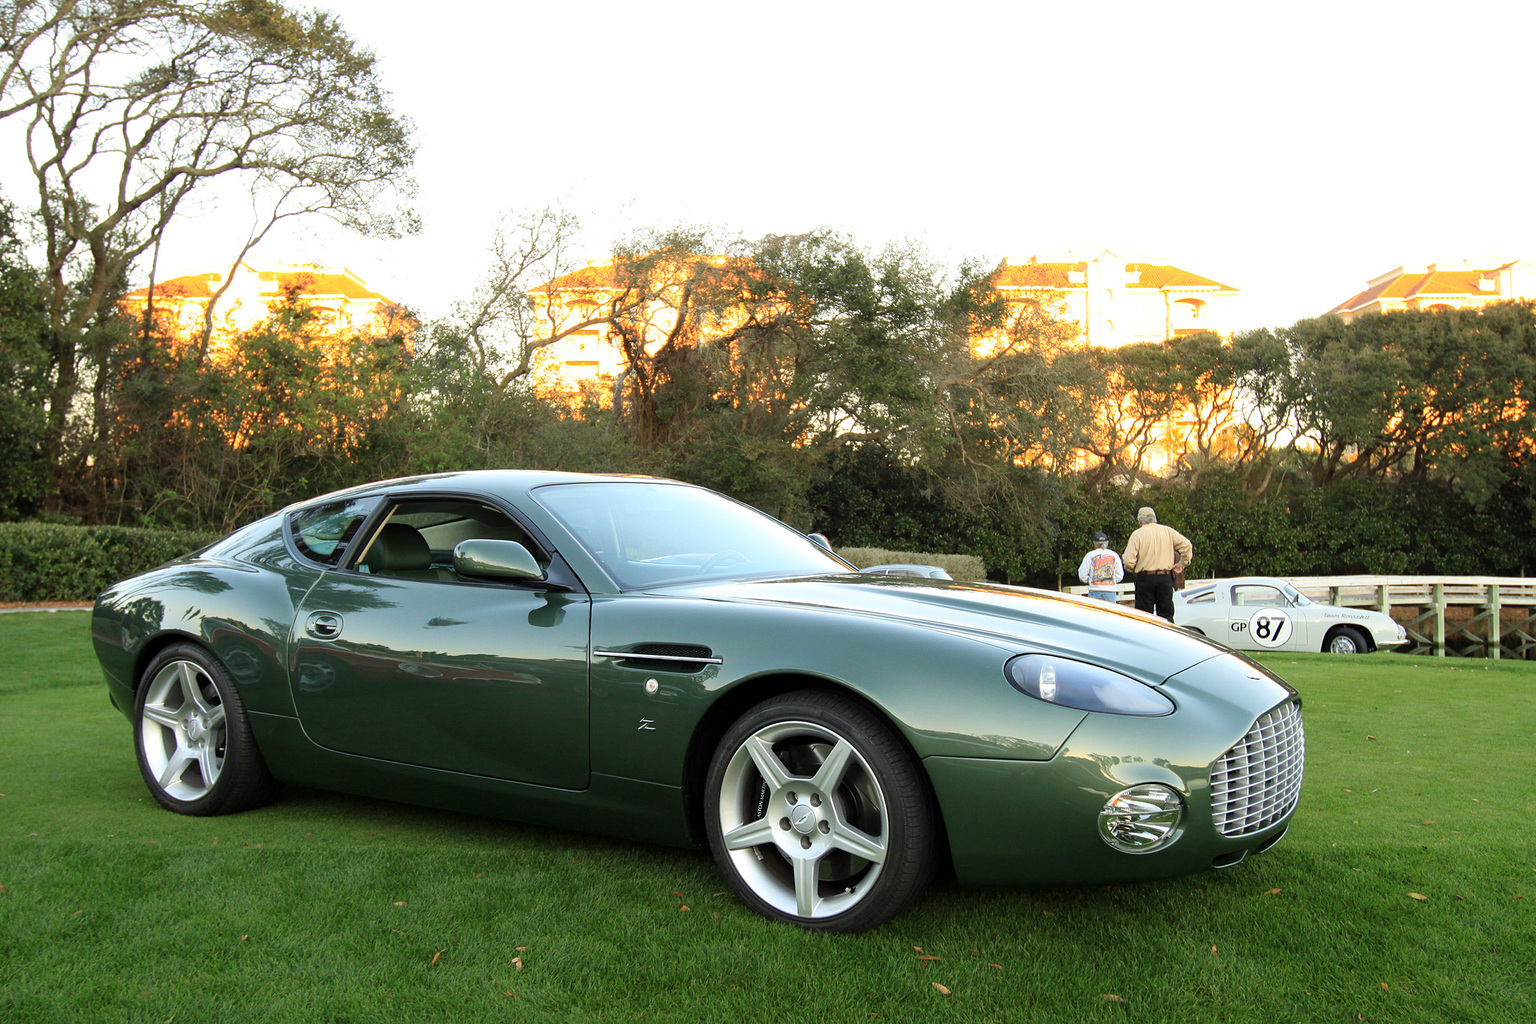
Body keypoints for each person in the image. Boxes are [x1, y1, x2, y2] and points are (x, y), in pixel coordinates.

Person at [1121, 506, 1192, 622]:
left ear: (1140, 521)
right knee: (1166, 616)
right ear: (1155, 519)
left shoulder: (1137, 534)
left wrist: (1133, 569)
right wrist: (1182, 563)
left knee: (1144, 617)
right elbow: (1187, 545)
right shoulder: (1168, 531)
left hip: (1145, 578)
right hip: (1165, 578)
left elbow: (1129, 561)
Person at [1078, 532, 1124, 603]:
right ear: (1107, 543)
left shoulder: (1090, 555)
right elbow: (1120, 575)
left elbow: (1082, 575)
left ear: (1094, 543)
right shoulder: (1114, 555)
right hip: (1110, 591)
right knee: (1109, 613)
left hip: (1095, 590)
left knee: (1095, 613)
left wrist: (1091, 580)